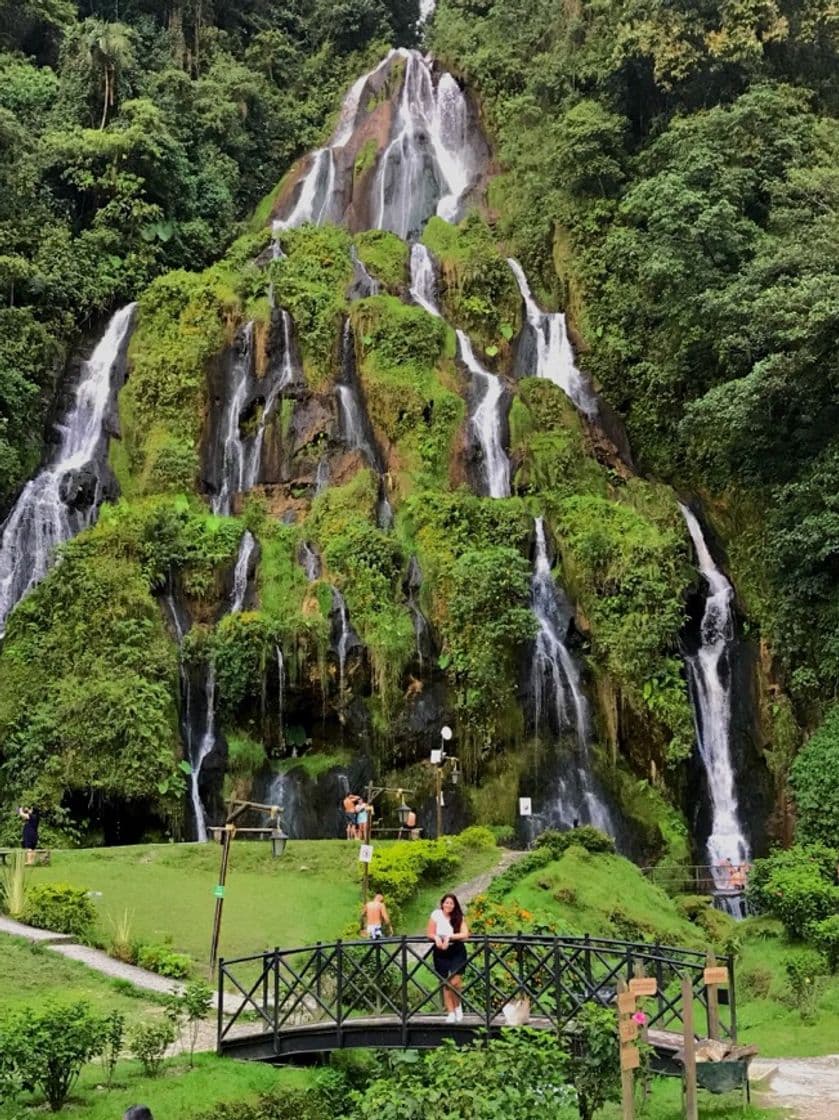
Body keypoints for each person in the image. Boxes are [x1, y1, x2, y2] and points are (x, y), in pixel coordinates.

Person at [427, 892, 469, 1023]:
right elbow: (429, 933)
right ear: (442, 904)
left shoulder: (458, 917)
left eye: (451, 903)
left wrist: (450, 937)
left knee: (455, 981)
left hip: (456, 949)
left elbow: (465, 934)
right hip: (441, 952)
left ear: (455, 905)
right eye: (446, 902)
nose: (449, 905)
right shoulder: (436, 915)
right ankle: (450, 1012)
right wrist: (436, 938)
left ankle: (458, 1007)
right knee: (445, 982)